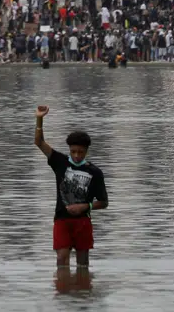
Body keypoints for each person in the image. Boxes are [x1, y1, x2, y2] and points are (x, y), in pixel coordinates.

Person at [33, 105, 108, 270]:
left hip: (83, 221)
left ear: (86, 151)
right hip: (61, 219)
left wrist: (85, 206)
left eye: (80, 152)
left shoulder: (94, 172)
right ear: (69, 150)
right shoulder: (60, 162)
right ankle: (63, 291)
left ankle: (82, 290)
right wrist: (39, 118)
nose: (76, 155)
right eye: (73, 151)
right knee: (61, 259)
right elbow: (38, 142)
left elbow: (103, 202)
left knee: (82, 265)